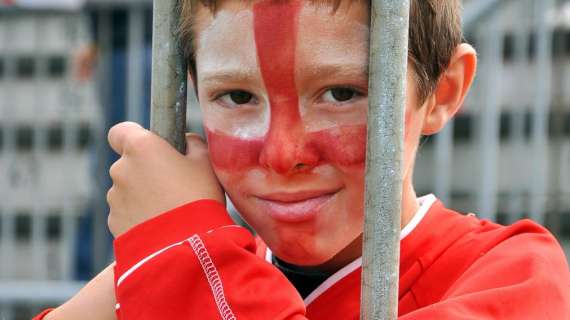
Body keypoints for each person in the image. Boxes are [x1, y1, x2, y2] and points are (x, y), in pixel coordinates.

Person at [35, 0, 570, 319]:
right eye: (238, 97)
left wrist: (184, 251)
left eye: (341, 93)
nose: (283, 153)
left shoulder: (518, 278)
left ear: (444, 91)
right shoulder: (162, 269)